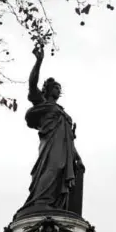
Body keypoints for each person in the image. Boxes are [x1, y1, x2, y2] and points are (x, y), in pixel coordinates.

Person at [16, 44, 85, 218]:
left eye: (59, 89)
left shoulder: (62, 113)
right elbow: (32, 85)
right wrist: (39, 61)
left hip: (65, 150)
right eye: (55, 87)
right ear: (47, 89)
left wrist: (77, 156)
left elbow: (69, 139)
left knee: (61, 173)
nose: (58, 90)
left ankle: (55, 205)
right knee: (51, 169)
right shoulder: (42, 103)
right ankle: (41, 202)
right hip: (50, 146)